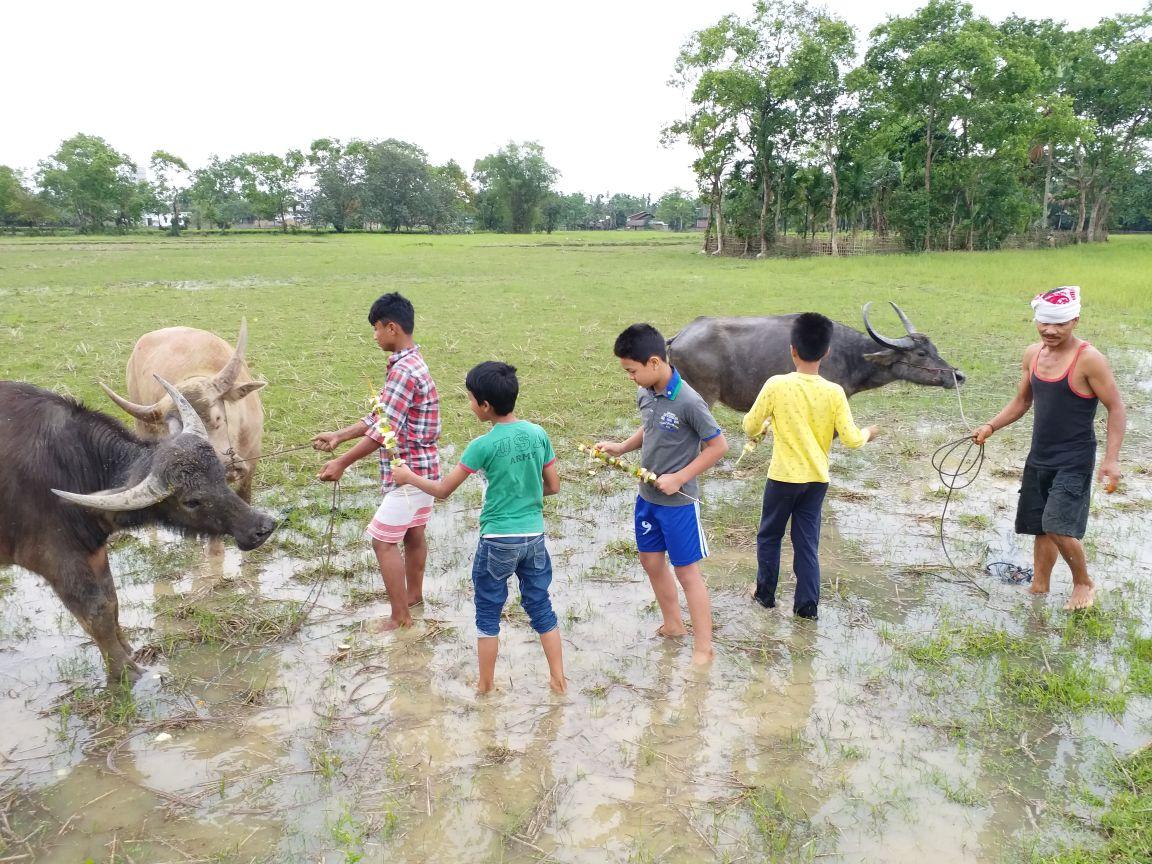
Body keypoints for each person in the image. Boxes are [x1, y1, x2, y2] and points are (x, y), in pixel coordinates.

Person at [393, 361, 566, 695]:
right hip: (534, 537)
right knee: (541, 607)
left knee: (488, 614)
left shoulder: (481, 446)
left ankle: (485, 686)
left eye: (470, 399)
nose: (470, 405)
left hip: (497, 541)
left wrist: (408, 477)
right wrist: (524, 493)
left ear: (485, 406)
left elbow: (443, 491)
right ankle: (558, 681)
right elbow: (553, 486)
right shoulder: (537, 434)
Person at [974, 286, 1125, 611]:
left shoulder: (1089, 359)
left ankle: (1082, 582)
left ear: (1075, 320)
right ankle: (1039, 586)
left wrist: (1111, 460)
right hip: (1039, 456)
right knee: (1040, 525)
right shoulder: (1033, 354)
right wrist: (990, 426)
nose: (1050, 330)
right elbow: (1022, 401)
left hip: (1074, 459)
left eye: (1059, 323)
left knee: (1056, 523)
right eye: (1044, 322)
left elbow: (1116, 407)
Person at [595, 323, 728, 665]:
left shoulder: (689, 401)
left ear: (654, 362)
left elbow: (717, 446)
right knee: (651, 561)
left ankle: (704, 647)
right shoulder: (646, 392)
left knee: (687, 572)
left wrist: (680, 478)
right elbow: (650, 426)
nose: (630, 377)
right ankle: (673, 625)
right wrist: (622, 447)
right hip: (647, 499)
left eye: (632, 371)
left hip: (678, 504)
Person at [312, 293, 441, 631]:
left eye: (376, 329)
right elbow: (380, 417)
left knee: (383, 541)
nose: (374, 336)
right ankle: (412, 597)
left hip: (408, 475)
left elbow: (384, 431)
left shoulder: (403, 373)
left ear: (392, 328)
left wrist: (342, 462)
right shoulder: (410, 364)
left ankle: (400, 617)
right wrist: (339, 435)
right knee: (413, 534)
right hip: (424, 471)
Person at [741, 312, 879, 620]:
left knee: (769, 537)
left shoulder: (776, 385)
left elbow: (750, 426)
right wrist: (871, 432)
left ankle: (765, 596)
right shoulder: (834, 392)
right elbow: (853, 439)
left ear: (792, 348)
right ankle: (807, 607)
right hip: (816, 481)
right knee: (806, 544)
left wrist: (763, 425)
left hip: (781, 479)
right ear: (826, 351)